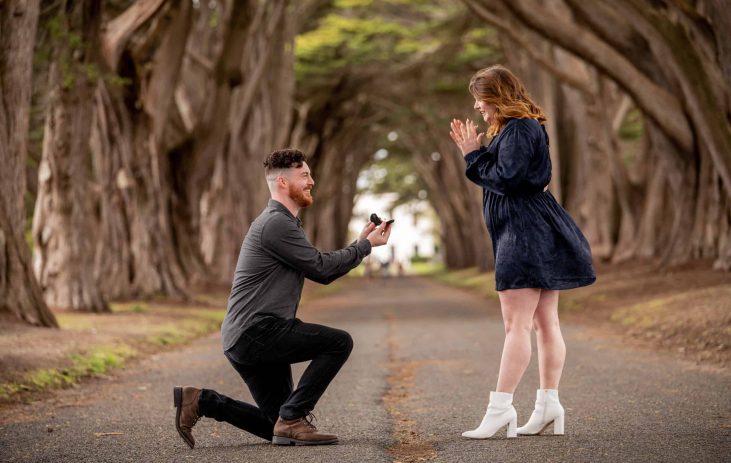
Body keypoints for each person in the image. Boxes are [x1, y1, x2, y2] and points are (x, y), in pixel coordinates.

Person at [173, 149, 392, 448]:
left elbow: (319, 262)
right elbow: (321, 269)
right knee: (339, 342)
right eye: (304, 176)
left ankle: (201, 401)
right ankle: (293, 416)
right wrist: (364, 247)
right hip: (256, 332)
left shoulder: (282, 223)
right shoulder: (275, 224)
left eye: (310, 175)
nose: (312, 181)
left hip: (246, 336)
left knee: (274, 425)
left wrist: (359, 243)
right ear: (281, 183)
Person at [448, 65, 596, 439]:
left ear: (497, 95)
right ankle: (548, 406)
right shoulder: (520, 128)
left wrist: (472, 154)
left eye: (480, 99)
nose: (478, 107)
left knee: (518, 324)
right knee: (545, 322)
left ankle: (500, 409)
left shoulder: (519, 128)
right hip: (530, 228)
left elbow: (509, 180)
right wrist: (481, 153)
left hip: (523, 233)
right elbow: (523, 177)